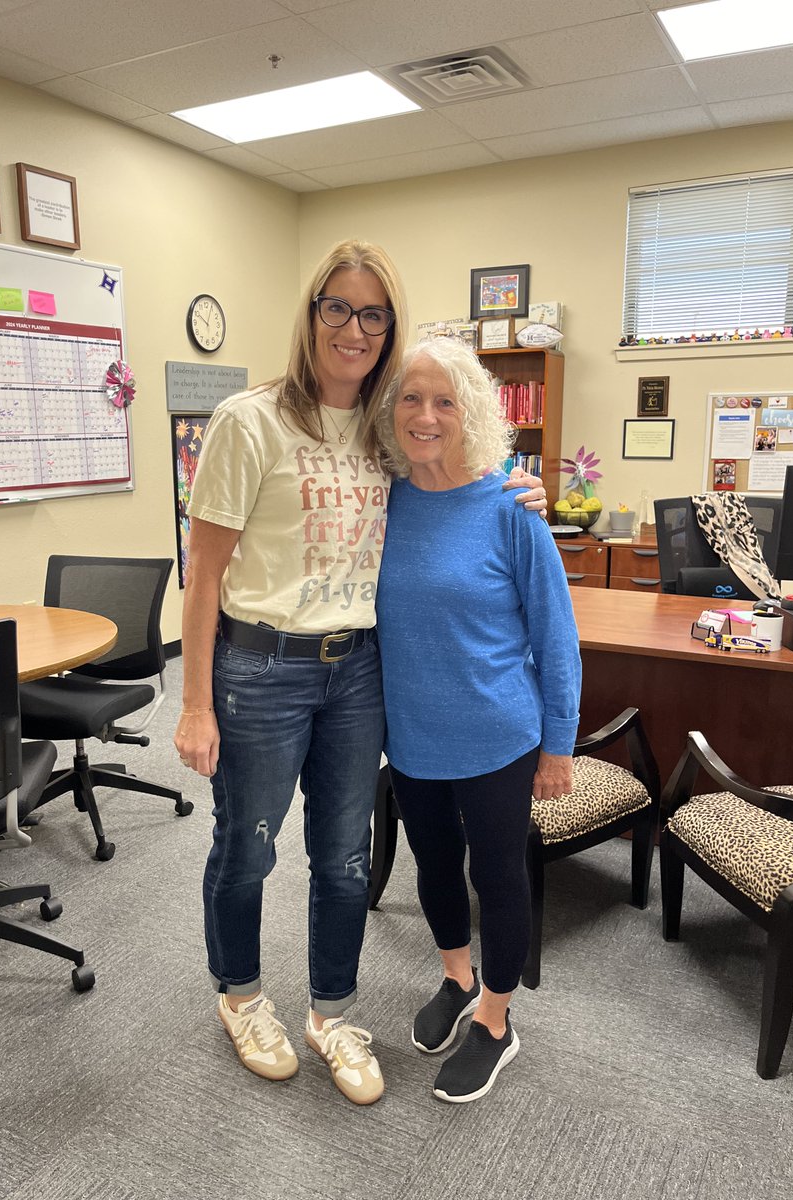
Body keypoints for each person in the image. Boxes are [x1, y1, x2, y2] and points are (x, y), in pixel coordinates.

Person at [175, 240, 546, 1106]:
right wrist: (195, 703)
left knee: (344, 860)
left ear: (390, 327)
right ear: (311, 316)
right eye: (337, 308)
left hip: (358, 672)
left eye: (373, 313)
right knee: (249, 849)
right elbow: (202, 574)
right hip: (260, 668)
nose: (354, 327)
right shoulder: (248, 420)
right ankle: (241, 998)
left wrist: (513, 486)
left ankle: (333, 1012)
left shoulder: (385, 426)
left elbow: (448, 466)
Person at [373, 336, 581, 1104]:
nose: (425, 417)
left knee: (496, 875)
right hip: (413, 736)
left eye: (445, 401)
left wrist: (558, 745)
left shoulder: (510, 506)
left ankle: (497, 1021)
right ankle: (457, 979)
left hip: (498, 736)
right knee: (432, 868)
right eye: (410, 399)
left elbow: (556, 636)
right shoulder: (384, 498)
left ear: (473, 413)